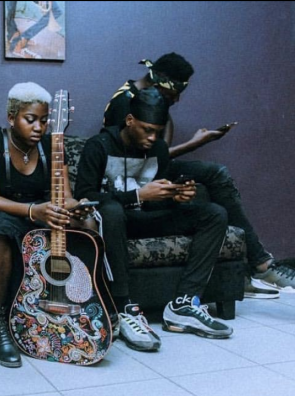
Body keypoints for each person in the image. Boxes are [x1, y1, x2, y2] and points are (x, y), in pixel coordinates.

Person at [102, 52, 294, 299]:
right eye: (174, 93)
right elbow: (136, 162)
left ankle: (248, 269)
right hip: (128, 177)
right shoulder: (125, 103)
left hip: (149, 167)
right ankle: (258, 265)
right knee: (204, 190)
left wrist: (168, 110)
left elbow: (159, 154)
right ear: (159, 81)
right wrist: (194, 143)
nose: (177, 99)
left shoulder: (152, 99)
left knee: (214, 175)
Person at [77, 87, 234, 352]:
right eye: (147, 130)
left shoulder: (158, 149)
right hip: (115, 223)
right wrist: (137, 196)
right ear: (130, 121)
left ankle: (184, 304)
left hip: (147, 219)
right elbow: (85, 195)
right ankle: (122, 308)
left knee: (214, 213)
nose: (152, 138)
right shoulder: (99, 145)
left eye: (157, 132)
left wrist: (176, 196)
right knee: (111, 211)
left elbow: (155, 200)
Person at [0, 82, 96, 368]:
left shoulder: (52, 145)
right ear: (11, 116)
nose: (39, 127)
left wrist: (78, 206)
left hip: (43, 212)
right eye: (30, 120)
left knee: (87, 222)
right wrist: (32, 211)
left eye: (43, 120)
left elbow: (64, 196)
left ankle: (88, 306)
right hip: (3, 212)